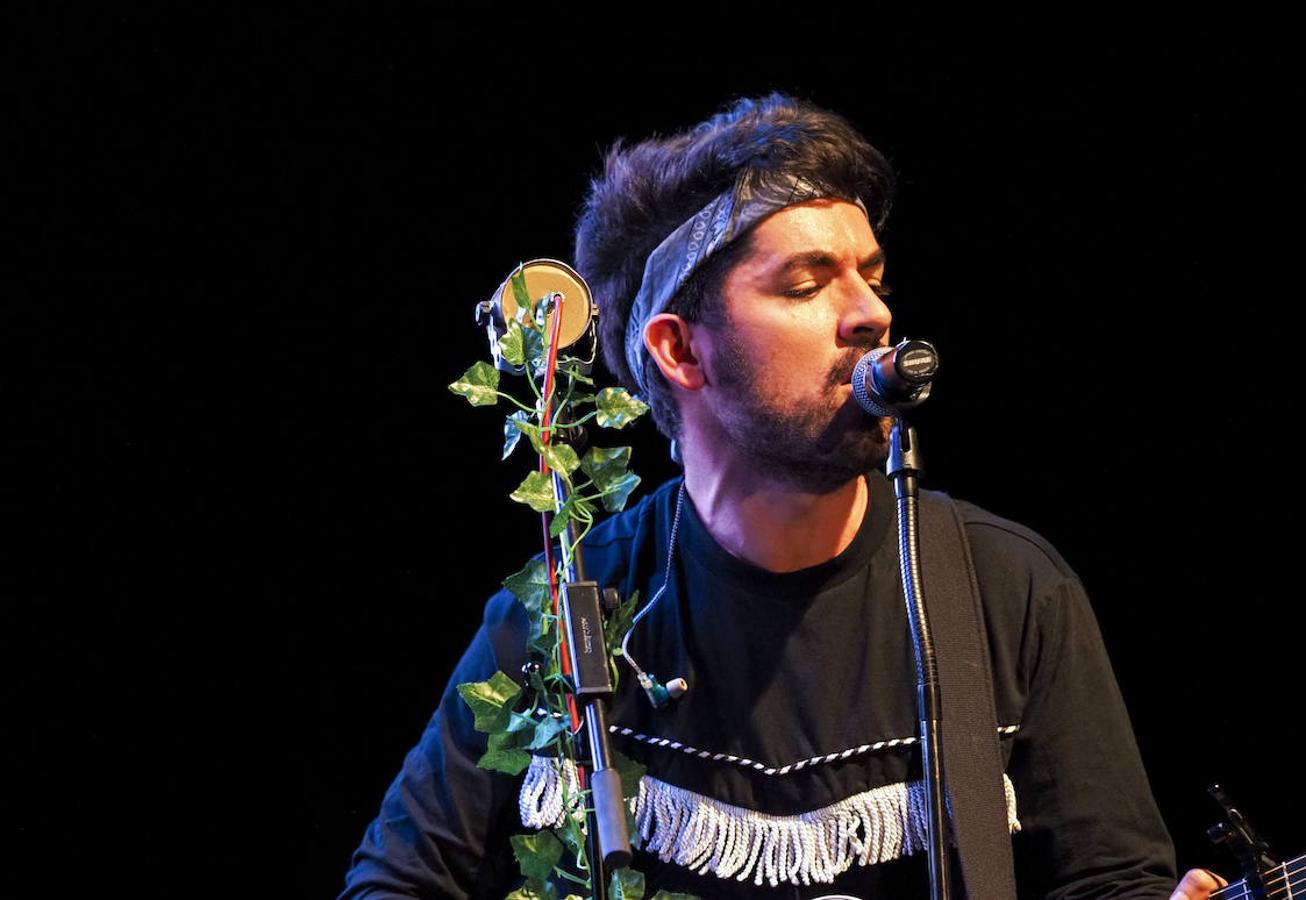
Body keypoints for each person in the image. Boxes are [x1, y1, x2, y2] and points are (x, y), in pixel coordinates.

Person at [342, 92, 1227, 900]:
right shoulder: (563, 615)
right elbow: (395, 883)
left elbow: (1114, 883)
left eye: (872, 275)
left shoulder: (1008, 589)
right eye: (806, 285)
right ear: (681, 352)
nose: (872, 313)